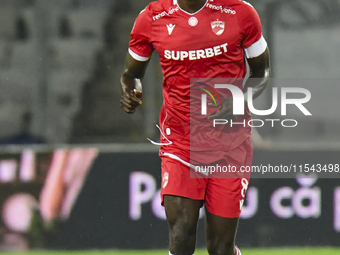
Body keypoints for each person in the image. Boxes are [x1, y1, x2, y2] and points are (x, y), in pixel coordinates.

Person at [120, 0, 271, 254]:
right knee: (181, 236)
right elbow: (131, 72)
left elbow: (262, 70)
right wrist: (130, 89)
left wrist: (238, 100)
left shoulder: (240, 13)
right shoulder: (152, 17)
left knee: (220, 249)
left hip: (229, 142)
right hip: (180, 141)